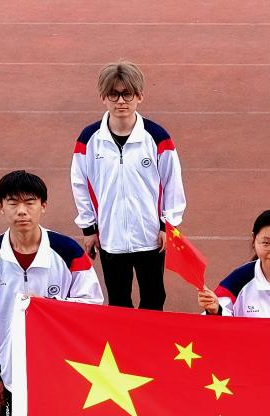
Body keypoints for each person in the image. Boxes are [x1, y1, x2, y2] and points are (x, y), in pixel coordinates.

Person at [0, 170, 104, 416]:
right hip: (13, 366)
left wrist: (47, 306)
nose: (22, 211)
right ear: (1, 207)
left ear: (43, 206)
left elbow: (91, 304)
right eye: (13, 203)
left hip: (61, 363)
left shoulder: (67, 251)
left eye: (30, 202)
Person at [72, 61, 186, 310]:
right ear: (103, 97)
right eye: (113, 94)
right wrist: (89, 228)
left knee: (154, 299)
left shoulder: (157, 137)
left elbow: (172, 183)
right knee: (118, 302)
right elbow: (80, 184)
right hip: (110, 236)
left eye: (128, 94)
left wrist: (168, 225)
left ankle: (150, 336)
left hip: (150, 236)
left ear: (140, 96)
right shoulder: (89, 140)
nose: (121, 101)